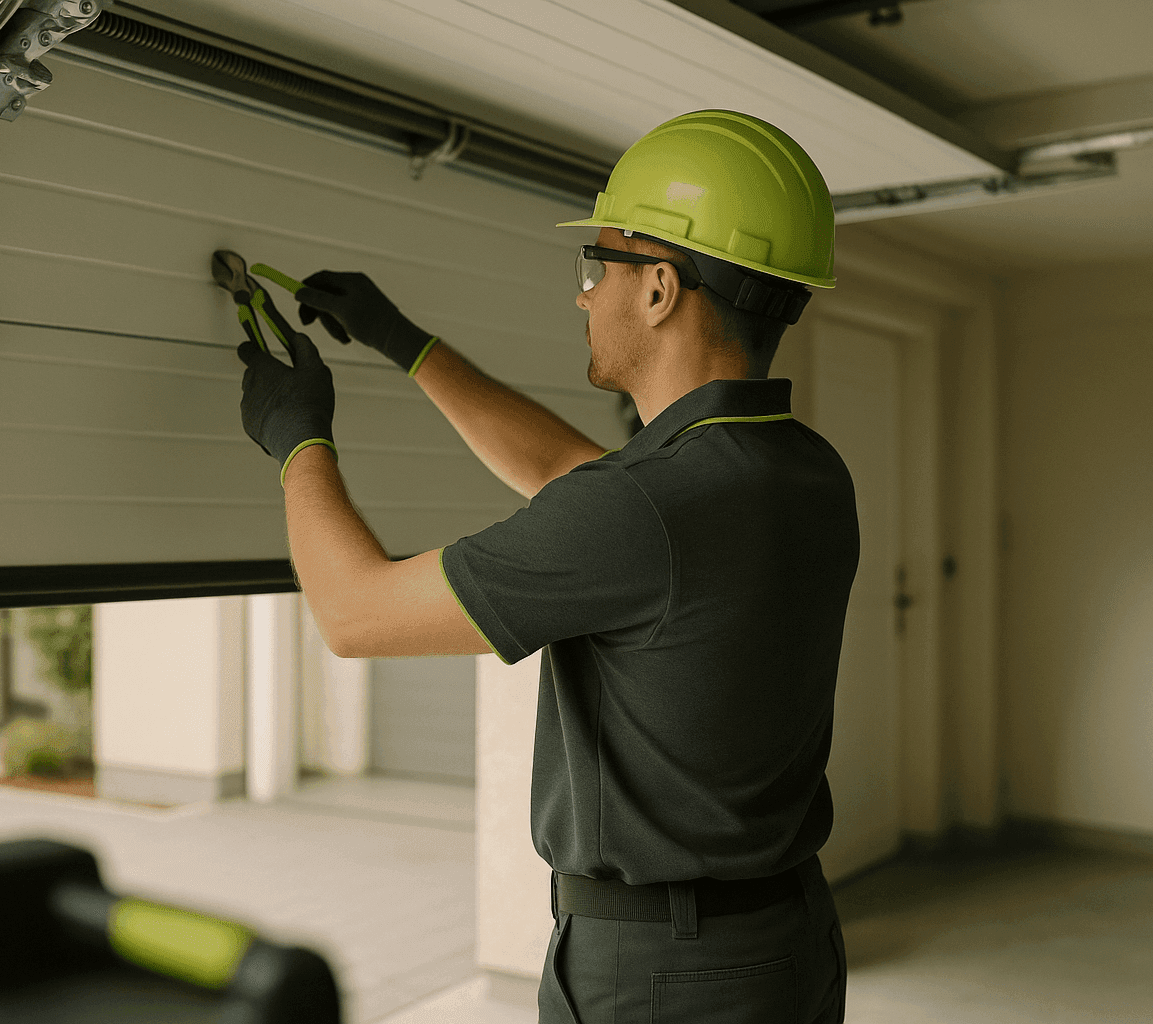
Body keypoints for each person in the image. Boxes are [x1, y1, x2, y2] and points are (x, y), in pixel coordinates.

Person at [235, 109, 856, 1024]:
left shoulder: (645, 508)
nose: (582, 293)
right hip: (785, 939)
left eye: (594, 265)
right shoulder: (803, 468)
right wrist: (405, 343)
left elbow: (353, 613)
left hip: (661, 975)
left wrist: (298, 437)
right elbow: (574, 477)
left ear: (657, 288)